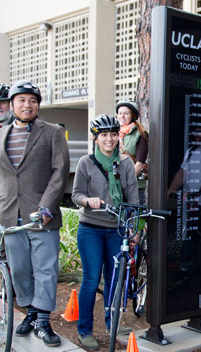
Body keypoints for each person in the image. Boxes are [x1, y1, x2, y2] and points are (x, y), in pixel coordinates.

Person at [0, 80, 69, 347]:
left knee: (46, 269)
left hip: (43, 216)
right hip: (9, 215)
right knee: (19, 269)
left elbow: (59, 172)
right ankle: (30, 312)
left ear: (38, 105)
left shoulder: (52, 132)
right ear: (12, 104)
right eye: (21, 100)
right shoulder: (2, 133)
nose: (27, 105)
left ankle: (43, 320)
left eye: (32, 100)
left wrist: (46, 206)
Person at [72, 114, 139, 350]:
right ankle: (85, 330)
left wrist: (134, 227)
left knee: (115, 278)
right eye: (104, 135)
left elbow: (133, 198)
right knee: (91, 279)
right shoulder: (86, 162)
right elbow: (76, 195)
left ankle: (113, 323)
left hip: (117, 230)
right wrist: (87, 200)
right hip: (90, 228)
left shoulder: (126, 163)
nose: (109, 139)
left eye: (113, 134)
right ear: (96, 138)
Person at [115, 100, 148, 204]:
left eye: (126, 113)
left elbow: (140, 164)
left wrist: (124, 183)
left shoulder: (140, 134)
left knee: (134, 218)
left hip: (134, 186)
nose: (122, 116)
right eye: (120, 113)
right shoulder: (114, 133)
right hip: (115, 187)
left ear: (133, 115)